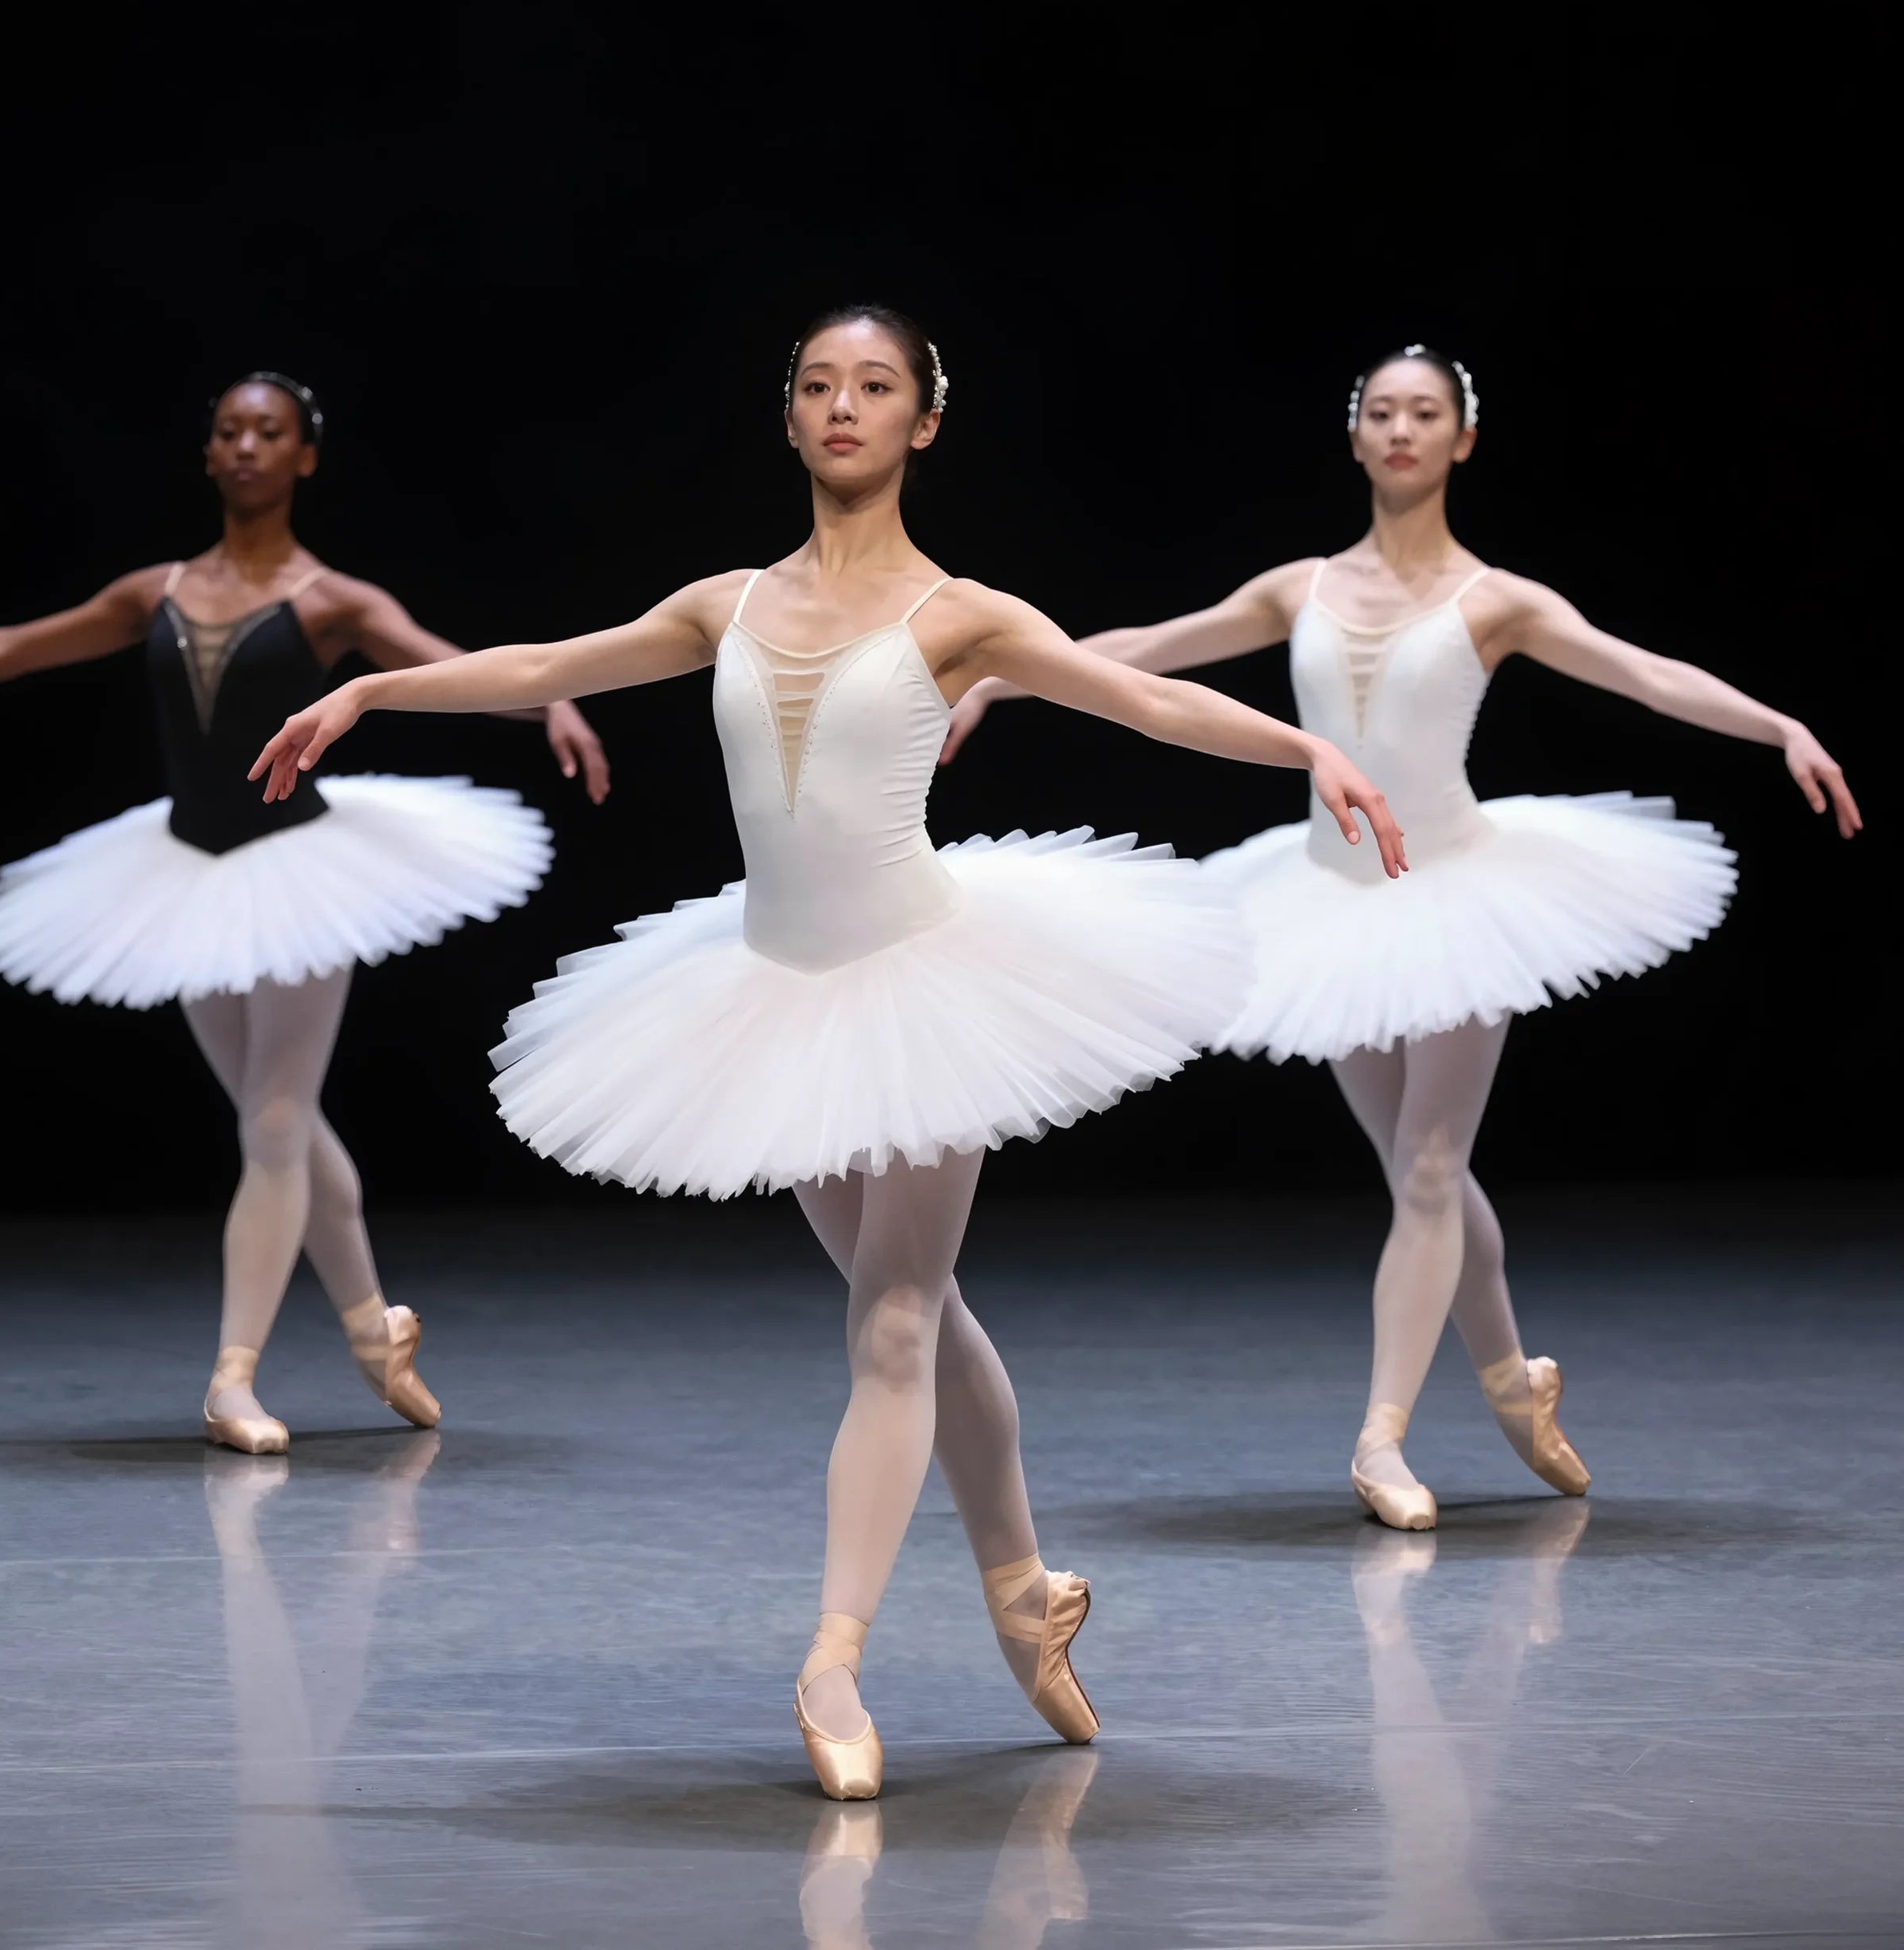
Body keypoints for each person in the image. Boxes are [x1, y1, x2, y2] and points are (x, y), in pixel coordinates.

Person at [251, 306, 1404, 1797]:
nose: (843, 406)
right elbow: (544, 660)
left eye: (875, 386)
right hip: (775, 1001)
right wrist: (370, 689)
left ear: (926, 421)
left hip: (927, 987)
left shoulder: (962, 615)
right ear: (788, 415)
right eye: (817, 385)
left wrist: (1307, 748)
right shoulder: (722, 606)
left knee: (896, 1321)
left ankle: (832, 1660)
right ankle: (1027, 1593)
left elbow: (1146, 700)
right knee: (917, 1311)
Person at [942, 343, 1859, 1531]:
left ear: (1461, 439)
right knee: (1422, 1171)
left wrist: (1779, 725)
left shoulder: (1499, 601)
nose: (1402, 430)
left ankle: (1380, 1439)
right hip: (1328, 905)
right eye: (1382, 411)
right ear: (1357, 435)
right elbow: (1153, 648)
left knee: (1428, 1165)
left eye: (1425, 413)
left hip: (1457, 897)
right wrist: (1004, 680)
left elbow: (1643, 675)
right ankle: (1513, 1378)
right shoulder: (1301, 589)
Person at [0, 373, 610, 1455]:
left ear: (303, 457)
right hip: (187, 875)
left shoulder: (333, 600)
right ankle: (376, 1330)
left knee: (275, 1120)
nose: (246, 446)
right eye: (230, 431)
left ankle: (231, 1380)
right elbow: (12, 648)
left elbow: (441, 665)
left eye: (268, 432)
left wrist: (549, 700)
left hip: (297, 873)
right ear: (208, 453)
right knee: (274, 1118)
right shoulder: (154, 592)